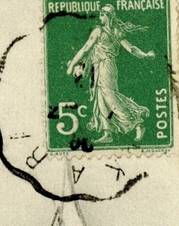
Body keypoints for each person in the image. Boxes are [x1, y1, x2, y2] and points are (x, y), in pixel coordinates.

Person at [66, 5, 155, 144]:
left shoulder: (101, 31)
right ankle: (108, 132)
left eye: (102, 14)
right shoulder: (113, 31)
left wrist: (72, 65)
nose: (100, 17)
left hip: (106, 66)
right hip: (98, 66)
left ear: (109, 16)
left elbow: (85, 49)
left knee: (110, 97)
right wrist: (145, 55)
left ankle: (137, 122)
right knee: (100, 99)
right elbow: (130, 49)